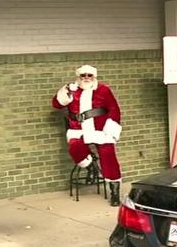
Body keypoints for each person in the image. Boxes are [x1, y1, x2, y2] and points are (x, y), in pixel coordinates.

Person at [52, 65, 123, 206]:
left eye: (89, 75)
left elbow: (114, 109)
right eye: (83, 75)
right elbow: (56, 105)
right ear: (79, 76)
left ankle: (115, 192)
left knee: (108, 155)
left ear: (94, 77)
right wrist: (64, 92)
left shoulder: (103, 90)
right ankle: (91, 167)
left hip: (100, 130)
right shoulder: (72, 90)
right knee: (74, 148)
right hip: (78, 130)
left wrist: (110, 130)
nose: (86, 78)